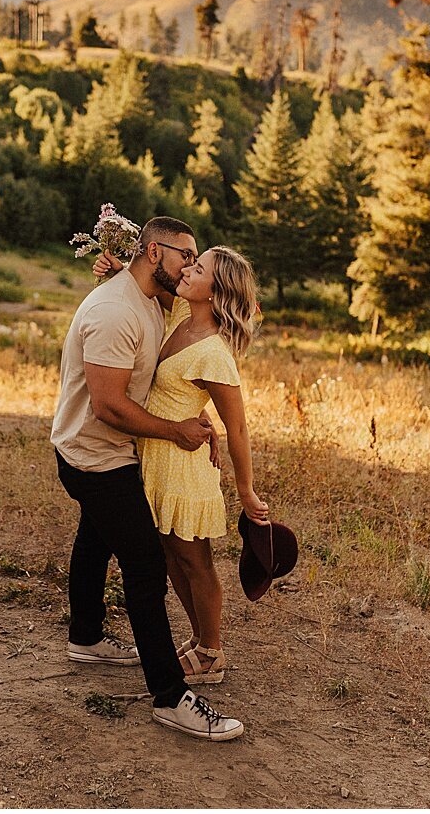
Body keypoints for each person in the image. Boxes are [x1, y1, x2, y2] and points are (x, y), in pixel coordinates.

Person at [51, 216, 245, 742]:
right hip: (97, 456)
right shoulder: (116, 310)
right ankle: (170, 695)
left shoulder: (143, 296)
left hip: (102, 450)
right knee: (145, 564)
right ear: (156, 253)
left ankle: (86, 637)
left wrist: (117, 268)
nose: (190, 266)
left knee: (95, 538)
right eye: (187, 255)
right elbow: (110, 405)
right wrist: (176, 430)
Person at [137, 246, 269, 685]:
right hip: (159, 457)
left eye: (199, 268)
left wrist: (247, 492)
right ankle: (198, 641)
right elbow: (146, 286)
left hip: (186, 469)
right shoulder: (180, 317)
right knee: (172, 557)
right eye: (191, 263)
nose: (187, 270)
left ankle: (212, 653)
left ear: (216, 291)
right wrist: (117, 267)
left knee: (196, 562)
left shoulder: (214, 353)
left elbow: (240, 429)